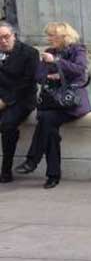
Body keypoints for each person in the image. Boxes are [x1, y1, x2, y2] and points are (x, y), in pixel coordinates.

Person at [16, 22, 91, 189]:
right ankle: (51, 174)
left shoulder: (78, 50)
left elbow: (80, 70)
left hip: (72, 103)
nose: (49, 39)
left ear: (64, 36)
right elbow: (39, 75)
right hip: (53, 102)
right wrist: (50, 77)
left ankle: (34, 162)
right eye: (48, 36)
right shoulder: (49, 52)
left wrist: (57, 63)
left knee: (46, 120)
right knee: (49, 127)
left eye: (52, 36)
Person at [0, 22, 39, 183]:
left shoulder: (30, 53)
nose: (2, 41)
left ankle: (6, 170)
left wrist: (5, 101)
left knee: (7, 124)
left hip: (22, 99)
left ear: (14, 36)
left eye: (6, 37)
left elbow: (27, 83)